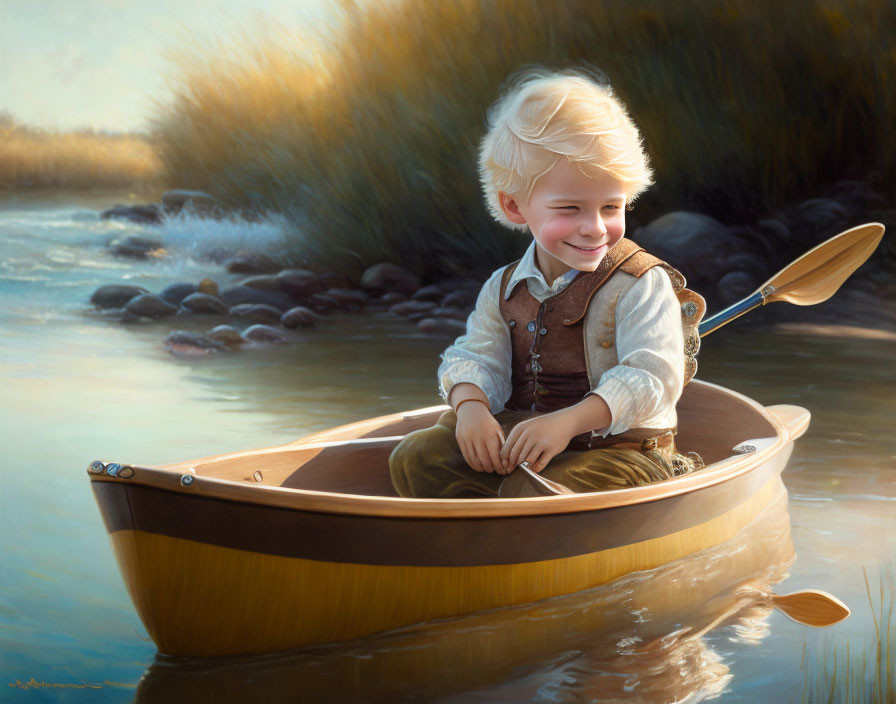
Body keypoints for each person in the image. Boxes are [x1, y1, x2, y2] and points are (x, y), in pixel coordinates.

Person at [389, 65, 703, 499]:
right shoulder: (503, 287)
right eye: (570, 209)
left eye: (611, 206)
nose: (595, 228)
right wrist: (471, 407)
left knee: (527, 490)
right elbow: (478, 358)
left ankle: (519, 537)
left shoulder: (641, 283)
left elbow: (652, 379)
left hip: (623, 451)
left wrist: (567, 423)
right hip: (528, 440)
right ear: (515, 207)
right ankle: (472, 536)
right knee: (416, 457)